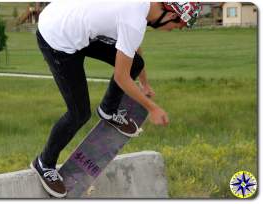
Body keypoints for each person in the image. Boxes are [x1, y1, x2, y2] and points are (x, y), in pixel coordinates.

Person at [30, 1, 202, 198]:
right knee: (79, 113)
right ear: (171, 15)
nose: (174, 30)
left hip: (72, 23)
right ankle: (44, 163)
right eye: (178, 26)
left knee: (135, 63)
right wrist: (152, 108)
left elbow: (133, 49)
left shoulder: (141, 9)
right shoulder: (134, 20)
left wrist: (145, 84)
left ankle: (108, 110)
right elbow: (122, 77)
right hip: (56, 37)